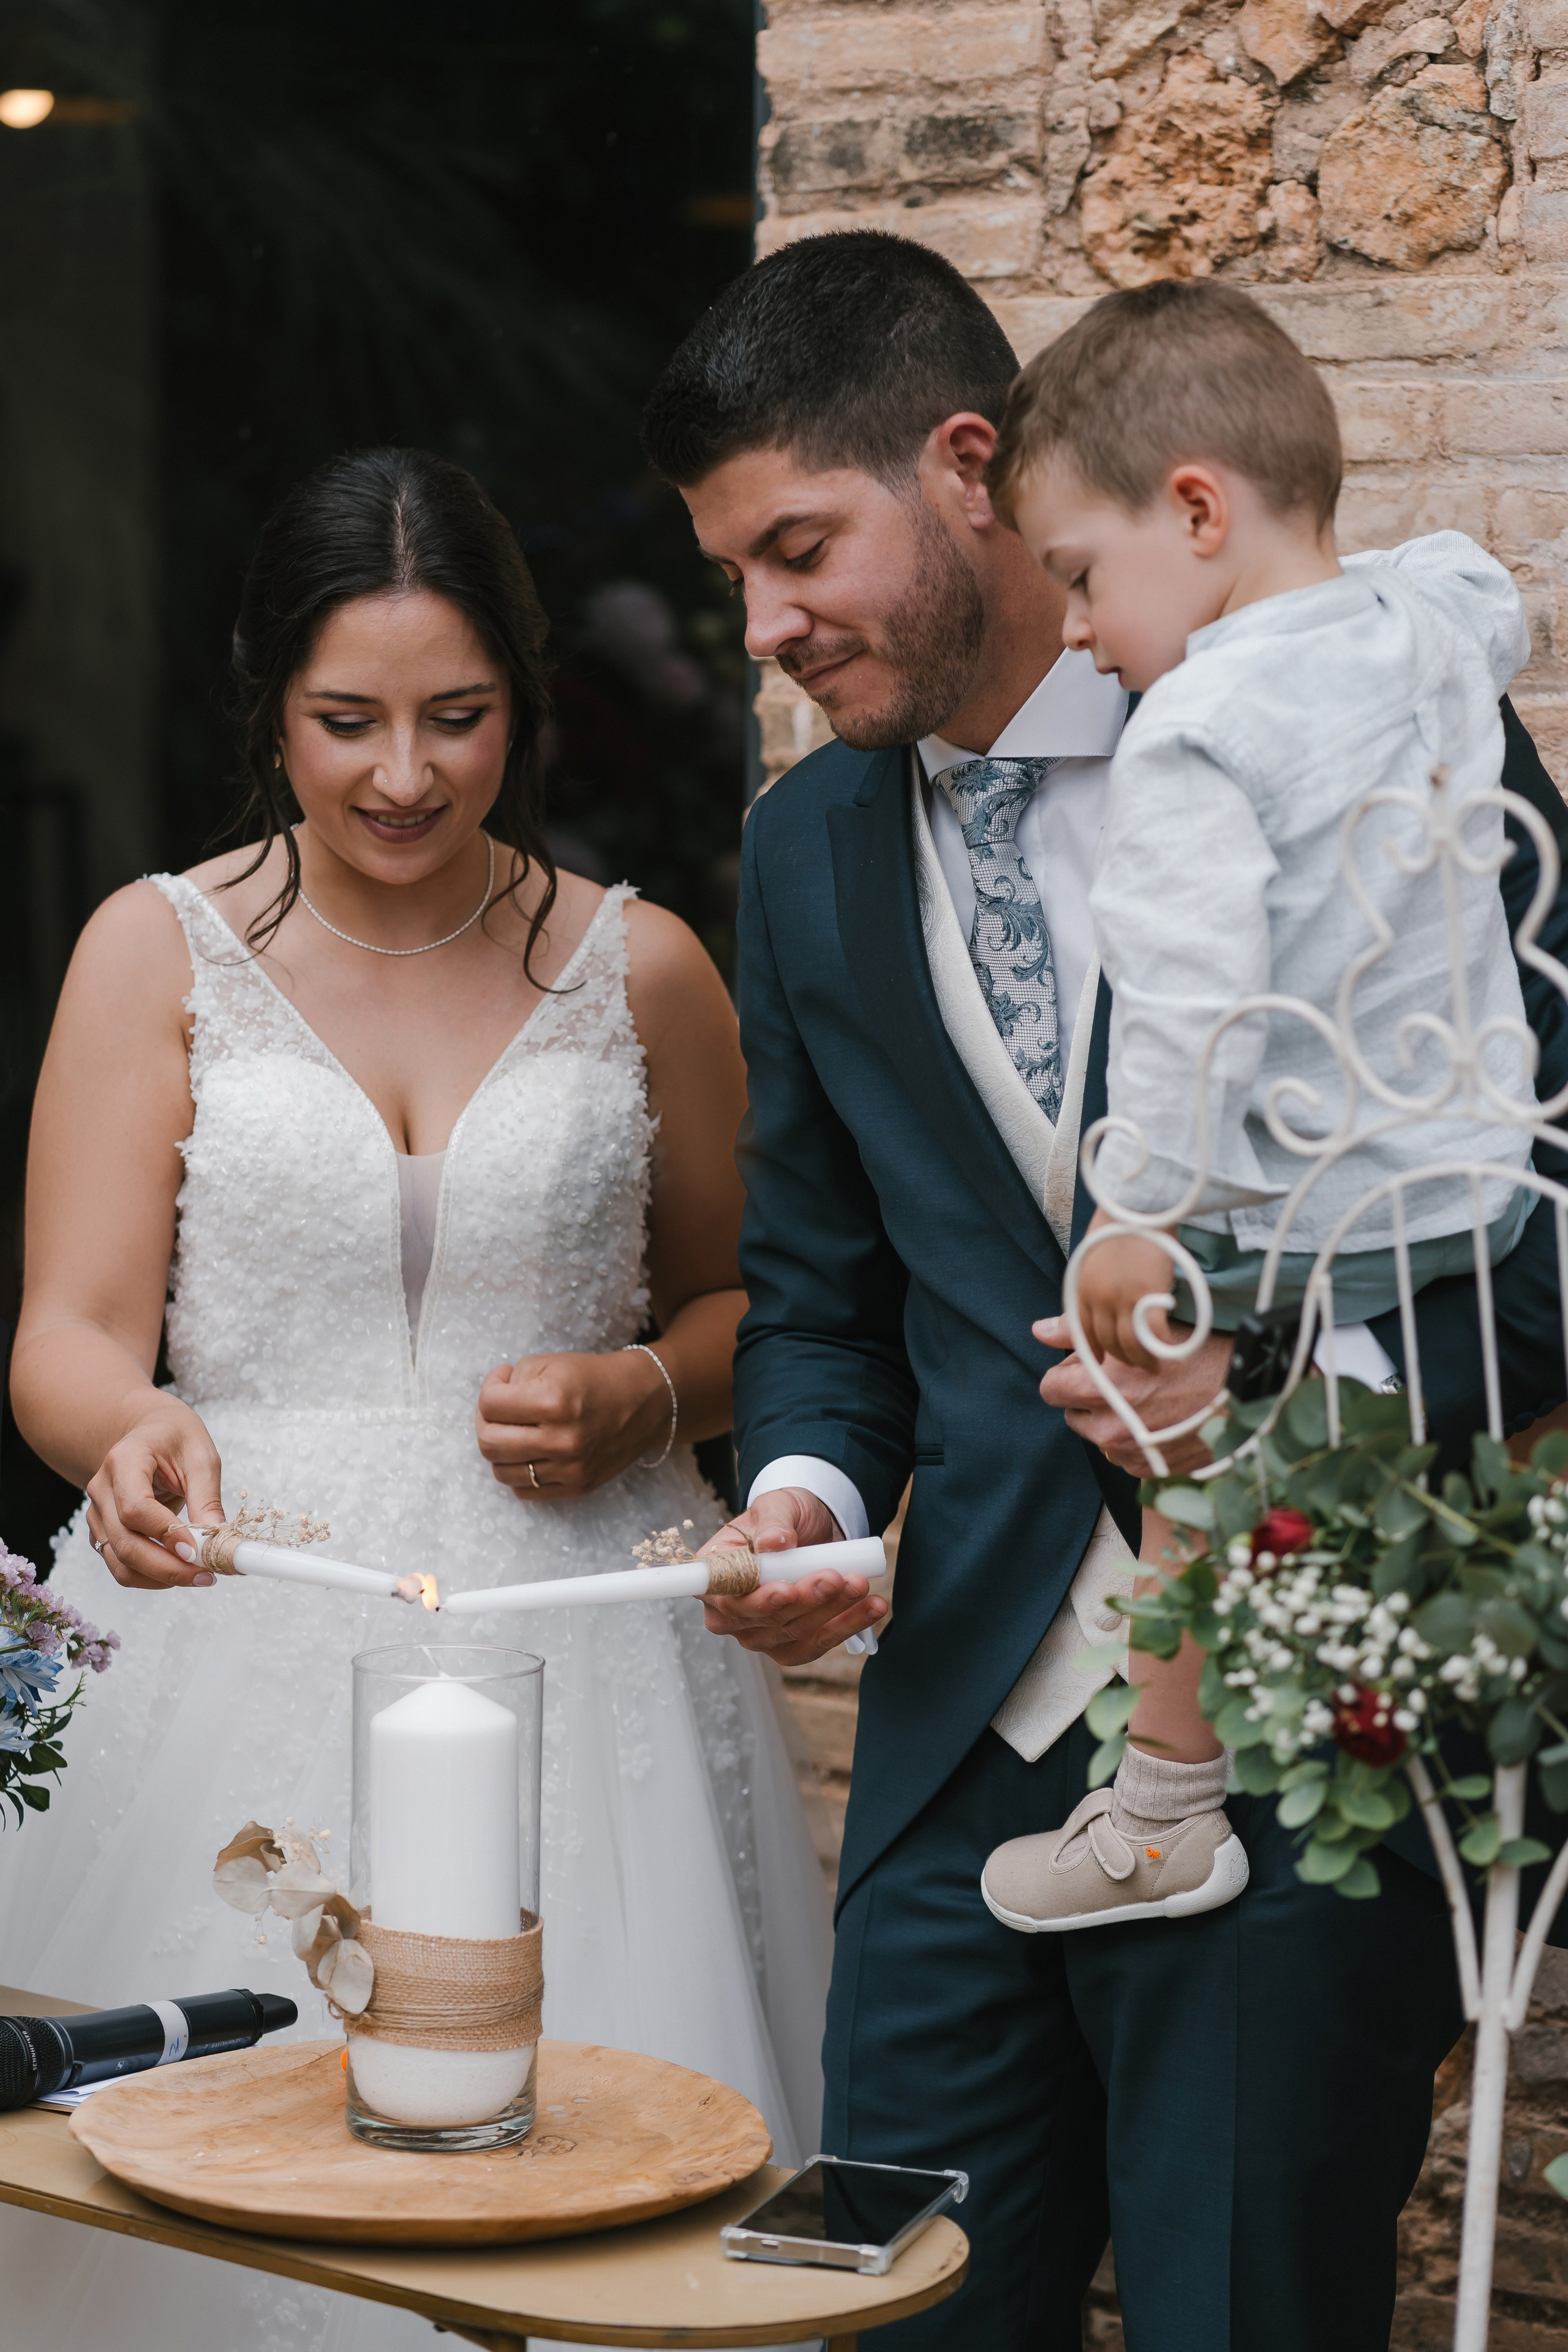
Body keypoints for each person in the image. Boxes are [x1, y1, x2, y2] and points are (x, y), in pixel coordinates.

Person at [639, 228, 1568, 2351]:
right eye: (737, 581)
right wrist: (795, 1487)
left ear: (971, 467)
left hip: (1284, 1714)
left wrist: (1284, 1394)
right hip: (961, 1748)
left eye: (800, 549)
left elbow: (1540, 1185)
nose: (768, 627)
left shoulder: (1385, 737)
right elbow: (816, 1291)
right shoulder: (802, 857)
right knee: (888, 2322)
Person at [0, 447, 829, 2352]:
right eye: (345, 721)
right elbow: (64, 1335)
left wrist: (640, 1389)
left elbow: (758, 1304)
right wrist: (118, 1434)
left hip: (581, 1641)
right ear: (266, 705)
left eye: (456, 719)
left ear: (523, 706)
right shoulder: (157, 951)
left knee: (599, 2184)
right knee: (187, 2200)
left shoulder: (643, 967)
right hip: (242, 1609)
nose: (403, 775)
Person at [976, 282, 1537, 1936]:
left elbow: (1189, 1003)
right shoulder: (1429, 620)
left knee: (1177, 1448)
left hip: (1311, 1201)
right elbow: (1476, 597)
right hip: (1476, 1177)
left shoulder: (1195, 732)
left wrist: (1139, 1214)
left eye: (1082, 575)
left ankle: (1163, 1807)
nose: (1078, 631)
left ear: (1200, 510)